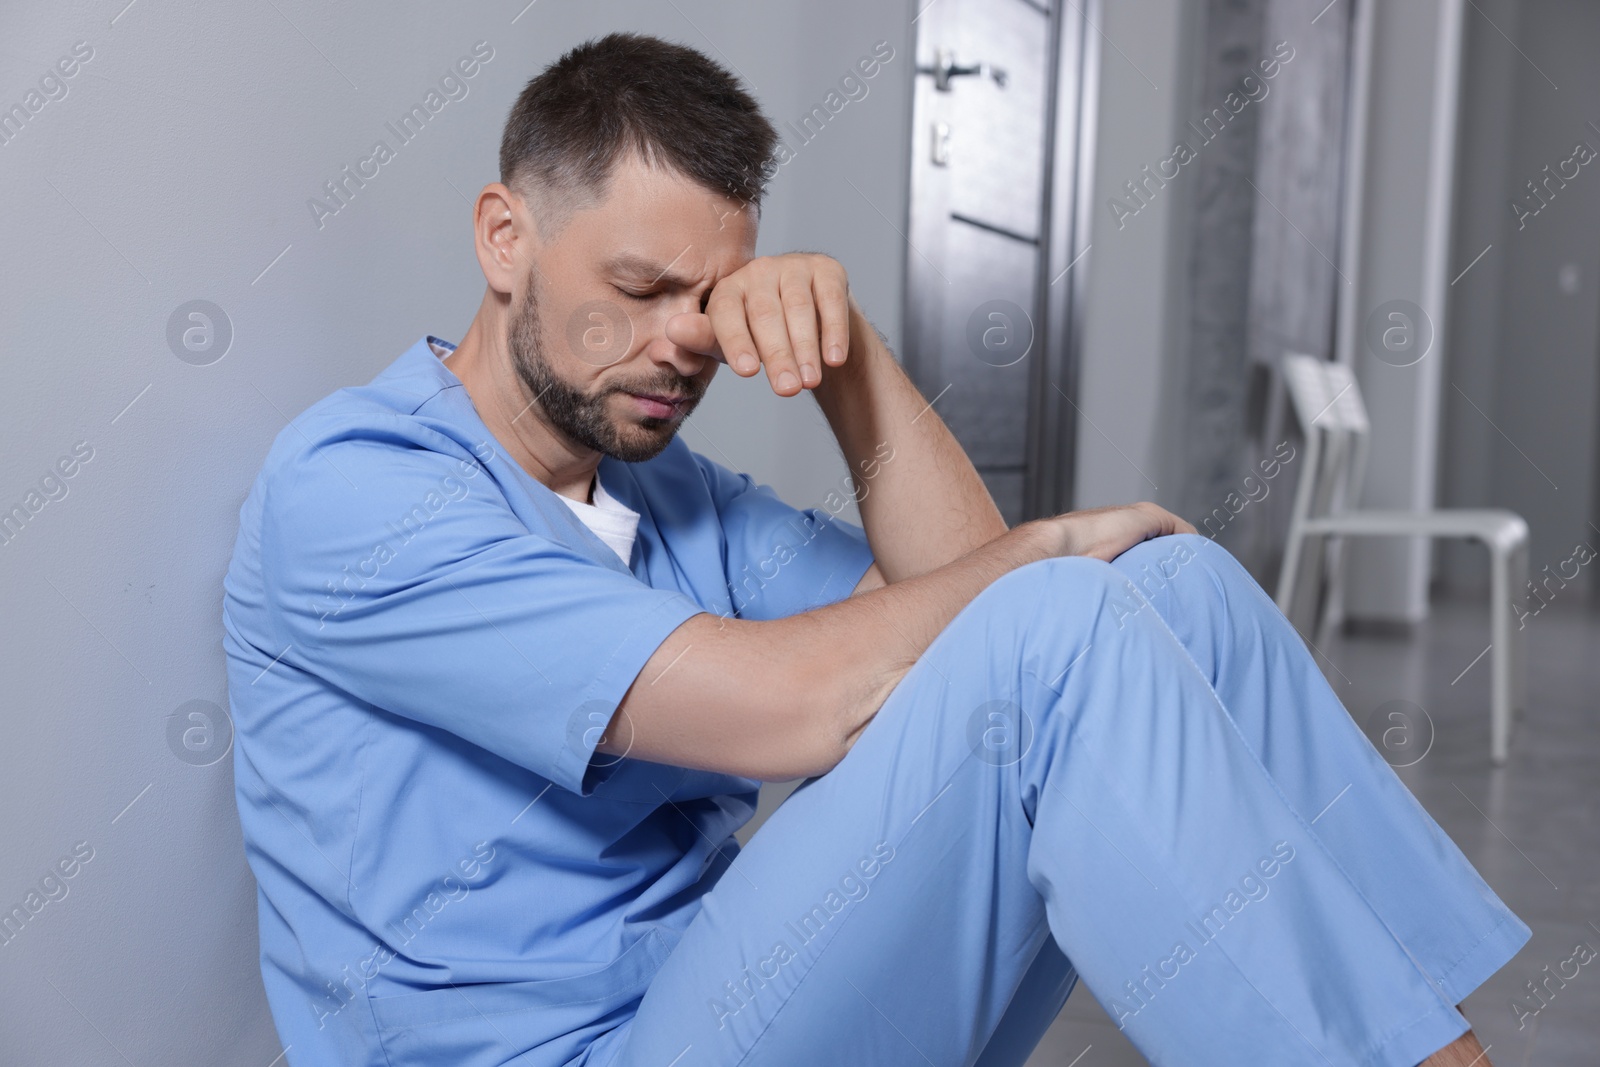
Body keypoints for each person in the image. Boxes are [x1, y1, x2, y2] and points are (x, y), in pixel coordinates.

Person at [222, 31, 1528, 1067]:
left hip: (715, 1004)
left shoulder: (673, 499)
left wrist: (854, 366)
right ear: (505, 240)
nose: (683, 341)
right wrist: (1055, 546)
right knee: (1068, 602)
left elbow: (974, 619)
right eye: (636, 290)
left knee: (1165, 585)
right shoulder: (358, 491)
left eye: (711, 297)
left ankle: (1416, 1038)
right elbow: (800, 703)